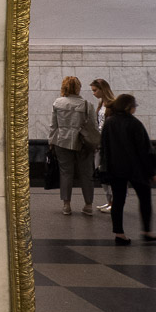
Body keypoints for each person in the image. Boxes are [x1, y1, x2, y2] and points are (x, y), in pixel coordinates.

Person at [99, 94, 156, 245]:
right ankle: (147, 231)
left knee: (118, 200)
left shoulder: (109, 122)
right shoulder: (135, 123)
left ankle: (119, 233)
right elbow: (144, 150)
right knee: (144, 198)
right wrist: (151, 171)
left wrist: (105, 166)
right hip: (136, 168)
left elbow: (104, 146)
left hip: (115, 168)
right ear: (129, 107)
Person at [48, 76, 99, 216]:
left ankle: (66, 205)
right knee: (86, 174)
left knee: (66, 173)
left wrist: (51, 141)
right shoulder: (87, 104)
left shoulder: (58, 103)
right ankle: (88, 205)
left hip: (62, 141)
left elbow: (53, 125)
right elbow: (93, 126)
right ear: (78, 88)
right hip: (83, 143)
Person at [90, 79, 117, 213]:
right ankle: (109, 201)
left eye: (95, 90)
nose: (93, 93)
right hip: (99, 141)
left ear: (102, 89)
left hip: (108, 143)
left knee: (108, 172)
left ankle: (114, 203)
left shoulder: (113, 105)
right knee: (100, 172)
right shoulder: (101, 104)